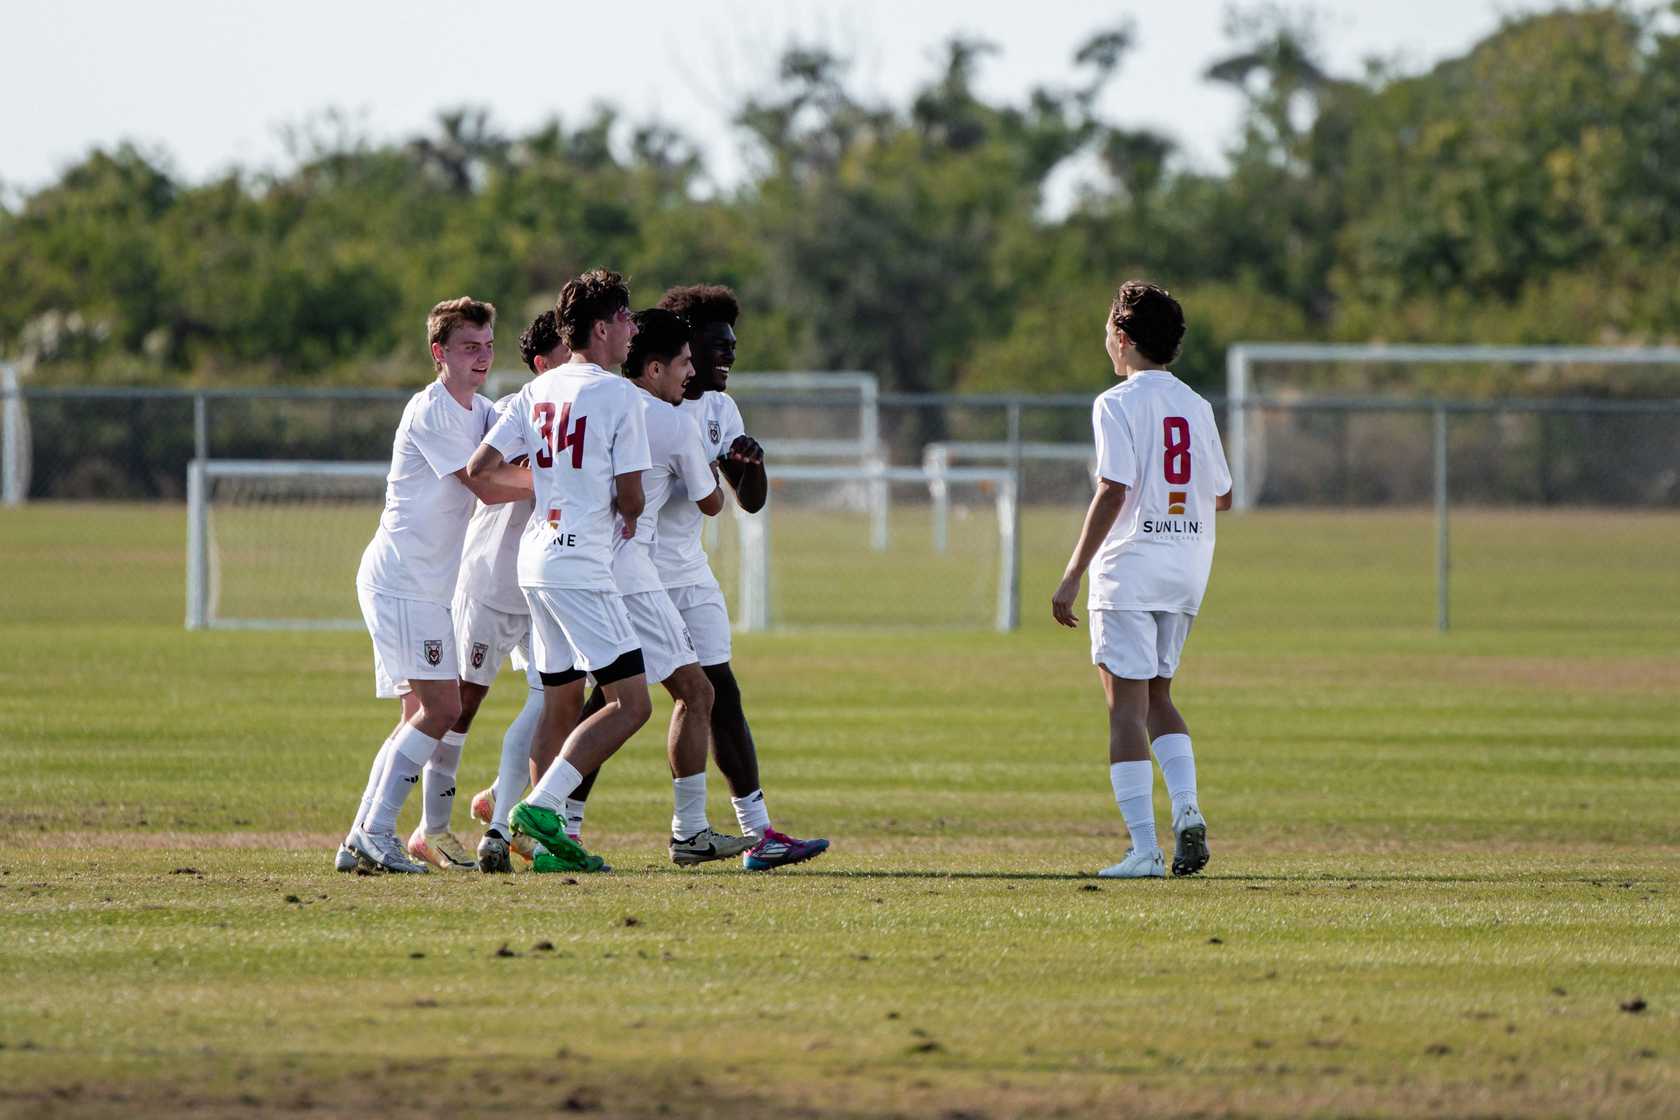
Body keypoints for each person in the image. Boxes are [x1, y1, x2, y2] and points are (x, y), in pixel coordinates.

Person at [467, 269, 651, 873]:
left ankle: (536, 845)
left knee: (559, 700)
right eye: (625, 318)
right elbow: (632, 498)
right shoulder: (620, 395)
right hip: (579, 565)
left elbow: (480, 469)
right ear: (601, 328)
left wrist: (549, 484)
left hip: (536, 559)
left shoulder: (534, 391)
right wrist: (618, 507)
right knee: (632, 704)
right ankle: (539, 808)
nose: (632, 328)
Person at [338, 297, 530, 873]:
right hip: (404, 580)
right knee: (442, 707)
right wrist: (561, 482)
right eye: (469, 347)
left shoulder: (482, 411)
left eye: (488, 346)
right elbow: (486, 485)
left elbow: (515, 451)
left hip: (422, 586)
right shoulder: (432, 410)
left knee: (416, 717)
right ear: (438, 352)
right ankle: (377, 832)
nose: (482, 357)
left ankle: (360, 838)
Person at [1051, 281, 1231, 880]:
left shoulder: (1116, 403)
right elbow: (1223, 495)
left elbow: (1114, 488)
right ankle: (1187, 809)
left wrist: (1072, 574)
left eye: (1109, 330)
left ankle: (1145, 851)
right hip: (1185, 568)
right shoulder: (1196, 405)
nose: (1107, 340)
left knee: (1124, 709)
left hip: (1130, 568)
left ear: (1123, 338)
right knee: (1159, 698)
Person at [425, 310, 569, 872]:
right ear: (543, 363)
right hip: (489, 582)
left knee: (555, 700)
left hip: (542, 583)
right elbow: (484, 477)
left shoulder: (585, 412)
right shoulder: (515, 411)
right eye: (569, 354)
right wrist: (552, 476)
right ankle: (431, 828)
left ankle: (504, 815)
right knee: (461, 705)